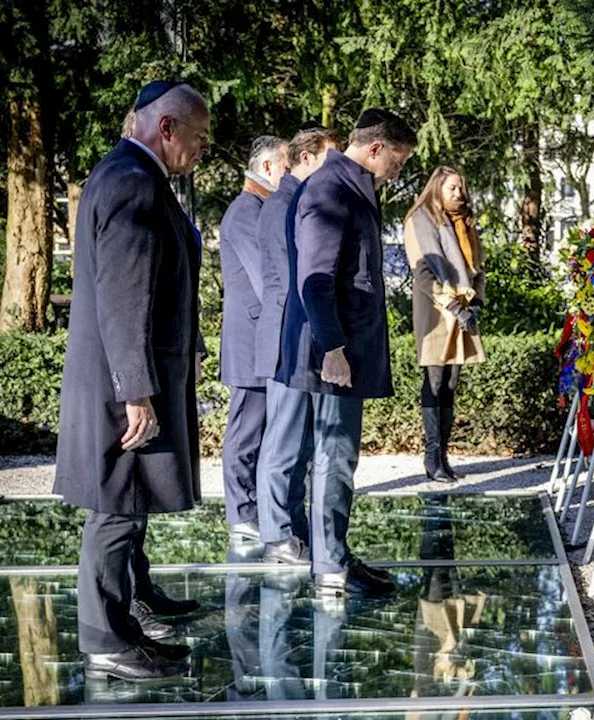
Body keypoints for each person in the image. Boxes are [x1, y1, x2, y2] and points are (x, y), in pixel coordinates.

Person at [53, 80, 210, 681]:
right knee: (115, 511)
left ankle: (125, 620)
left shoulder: (129, 175)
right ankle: (105, 642)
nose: (201, 149)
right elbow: (124, 297)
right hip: (126, 385)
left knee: (127, 506)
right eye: (197, 137)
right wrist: (135, 391)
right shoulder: (132, 181)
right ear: (166, 128)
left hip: (130, 377)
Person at [276, 108, 417, 596]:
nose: (397, 173)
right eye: (396, 163)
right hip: (329, 353)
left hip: (337, 349)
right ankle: (330, 566)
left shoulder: (348, 184)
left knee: (336, 458)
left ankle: (331, 553)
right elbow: (315, 280)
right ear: (375, 149)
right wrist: (332, 348)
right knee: (334, 458)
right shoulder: (330, 188)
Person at [255, 126, 343, 564]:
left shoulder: (297, 200)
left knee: (301, 442)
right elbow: (290, 279)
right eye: (331, 158)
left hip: (299, 334)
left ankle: (292, 527)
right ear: (306, 158)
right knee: (283, 440)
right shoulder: (283, 204)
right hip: (288, 336)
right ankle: (275, 535)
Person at [218, 135, 288, 542]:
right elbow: (268, 280)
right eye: (284, 166)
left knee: (260, 430)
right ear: (265, 167)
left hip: (263, 336)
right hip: (251, 339)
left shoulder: (261, 210)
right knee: (246, 429)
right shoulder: (246, 212)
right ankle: (241, 514)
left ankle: (253, 508)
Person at [403, 167, 486, 483]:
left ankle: (443, 457)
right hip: (437, 309)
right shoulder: (420, 219)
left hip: (463, 308)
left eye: (461, 188)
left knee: (451, 384)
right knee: (435, 382)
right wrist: (453, 305)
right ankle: (431, 457)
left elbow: (478, 267)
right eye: (453, 188)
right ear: (437, 188)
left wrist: (476, 302)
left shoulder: (464, 223)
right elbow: (422, 272)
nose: (459, 194)